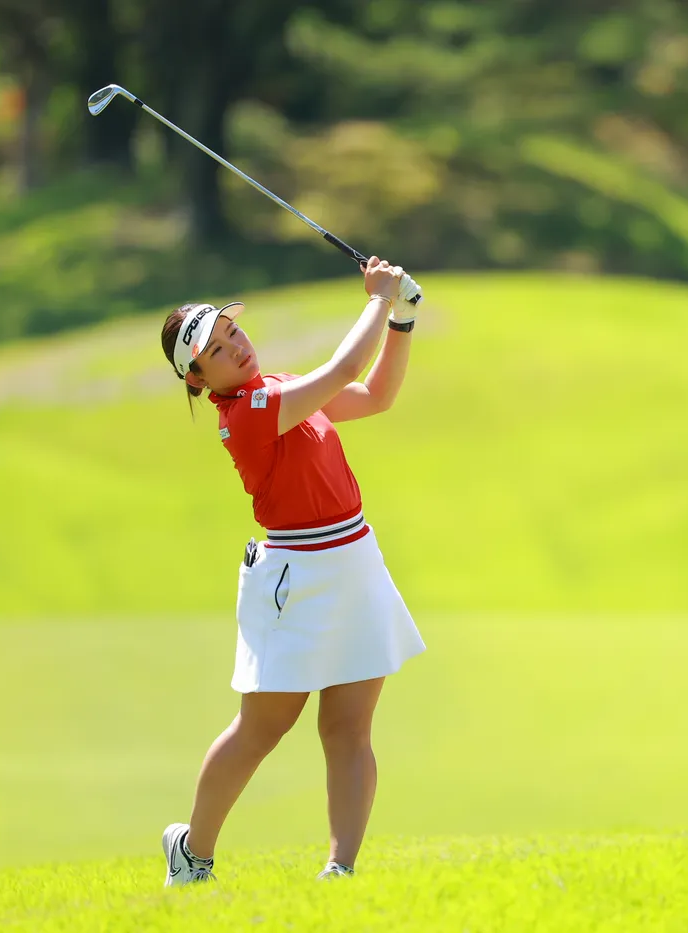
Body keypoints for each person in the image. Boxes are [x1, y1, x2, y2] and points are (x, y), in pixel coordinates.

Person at [155, 256, 427, 886]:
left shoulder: (278, 385)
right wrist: (378, 298)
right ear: (198, 379)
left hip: (354, 560)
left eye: (233, 333)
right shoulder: (248, 411)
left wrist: (402, 321)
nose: (236, 348)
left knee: (349, 727)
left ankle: (340, 870)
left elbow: (375, 396)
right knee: (262, 728)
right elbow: (344, 370)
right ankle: (192, 853)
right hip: (295, 577)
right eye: (216, 351)